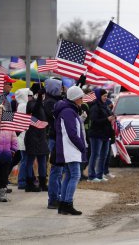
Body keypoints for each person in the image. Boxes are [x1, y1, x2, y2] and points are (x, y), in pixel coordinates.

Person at [54, 86, 87, 215]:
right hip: (70, 149)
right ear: (75, 98)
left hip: (68, 148)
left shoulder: (69, 110)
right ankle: (67, 203)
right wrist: (82, 146)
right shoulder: (68, 111)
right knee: (75, 175)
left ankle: (63, 204)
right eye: (80, 97)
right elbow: (72, 133)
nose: (82, 100)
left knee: (68, 175)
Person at [43, 78, 64, 209]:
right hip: (55, 137)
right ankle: (53, 199)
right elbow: (56, 116)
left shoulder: (55, 100)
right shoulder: (50, 102)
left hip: (58, 137)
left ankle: (58, 195)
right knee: (56, 169)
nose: (62, 89)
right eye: (60, 87)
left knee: (60, 169)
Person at [24, 84, 49, 192]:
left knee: (42, 161)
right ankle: (29, 184)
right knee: (30, 161)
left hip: (42, 136)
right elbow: (34, 109)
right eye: (41, 94)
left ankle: (43, 183)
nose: (43, 96)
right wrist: (39, 97)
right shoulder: (30, 103)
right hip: (32, 136)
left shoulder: (43, 104)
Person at [88, 88, 115, 182]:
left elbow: (109, 115)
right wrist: (107, 119)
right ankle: (91, 176)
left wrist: (112, 118)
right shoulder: (95, 107)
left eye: (106, 96)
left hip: (105, 134)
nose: (105, 98)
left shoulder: (105, 105)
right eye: (104, 96)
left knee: (104, 155)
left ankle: (99, 175)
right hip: (96, 134)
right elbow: (94, 121)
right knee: (95, 155)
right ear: (99, 96)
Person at [14, 88, 32, 189]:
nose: (30, 98)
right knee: (25, 160)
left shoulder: (20, 105)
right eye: (29, 96)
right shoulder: (24, 106)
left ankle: (26, 179)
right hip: (24, 137)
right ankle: (22, 181)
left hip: (23, 136)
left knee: (25, 160)